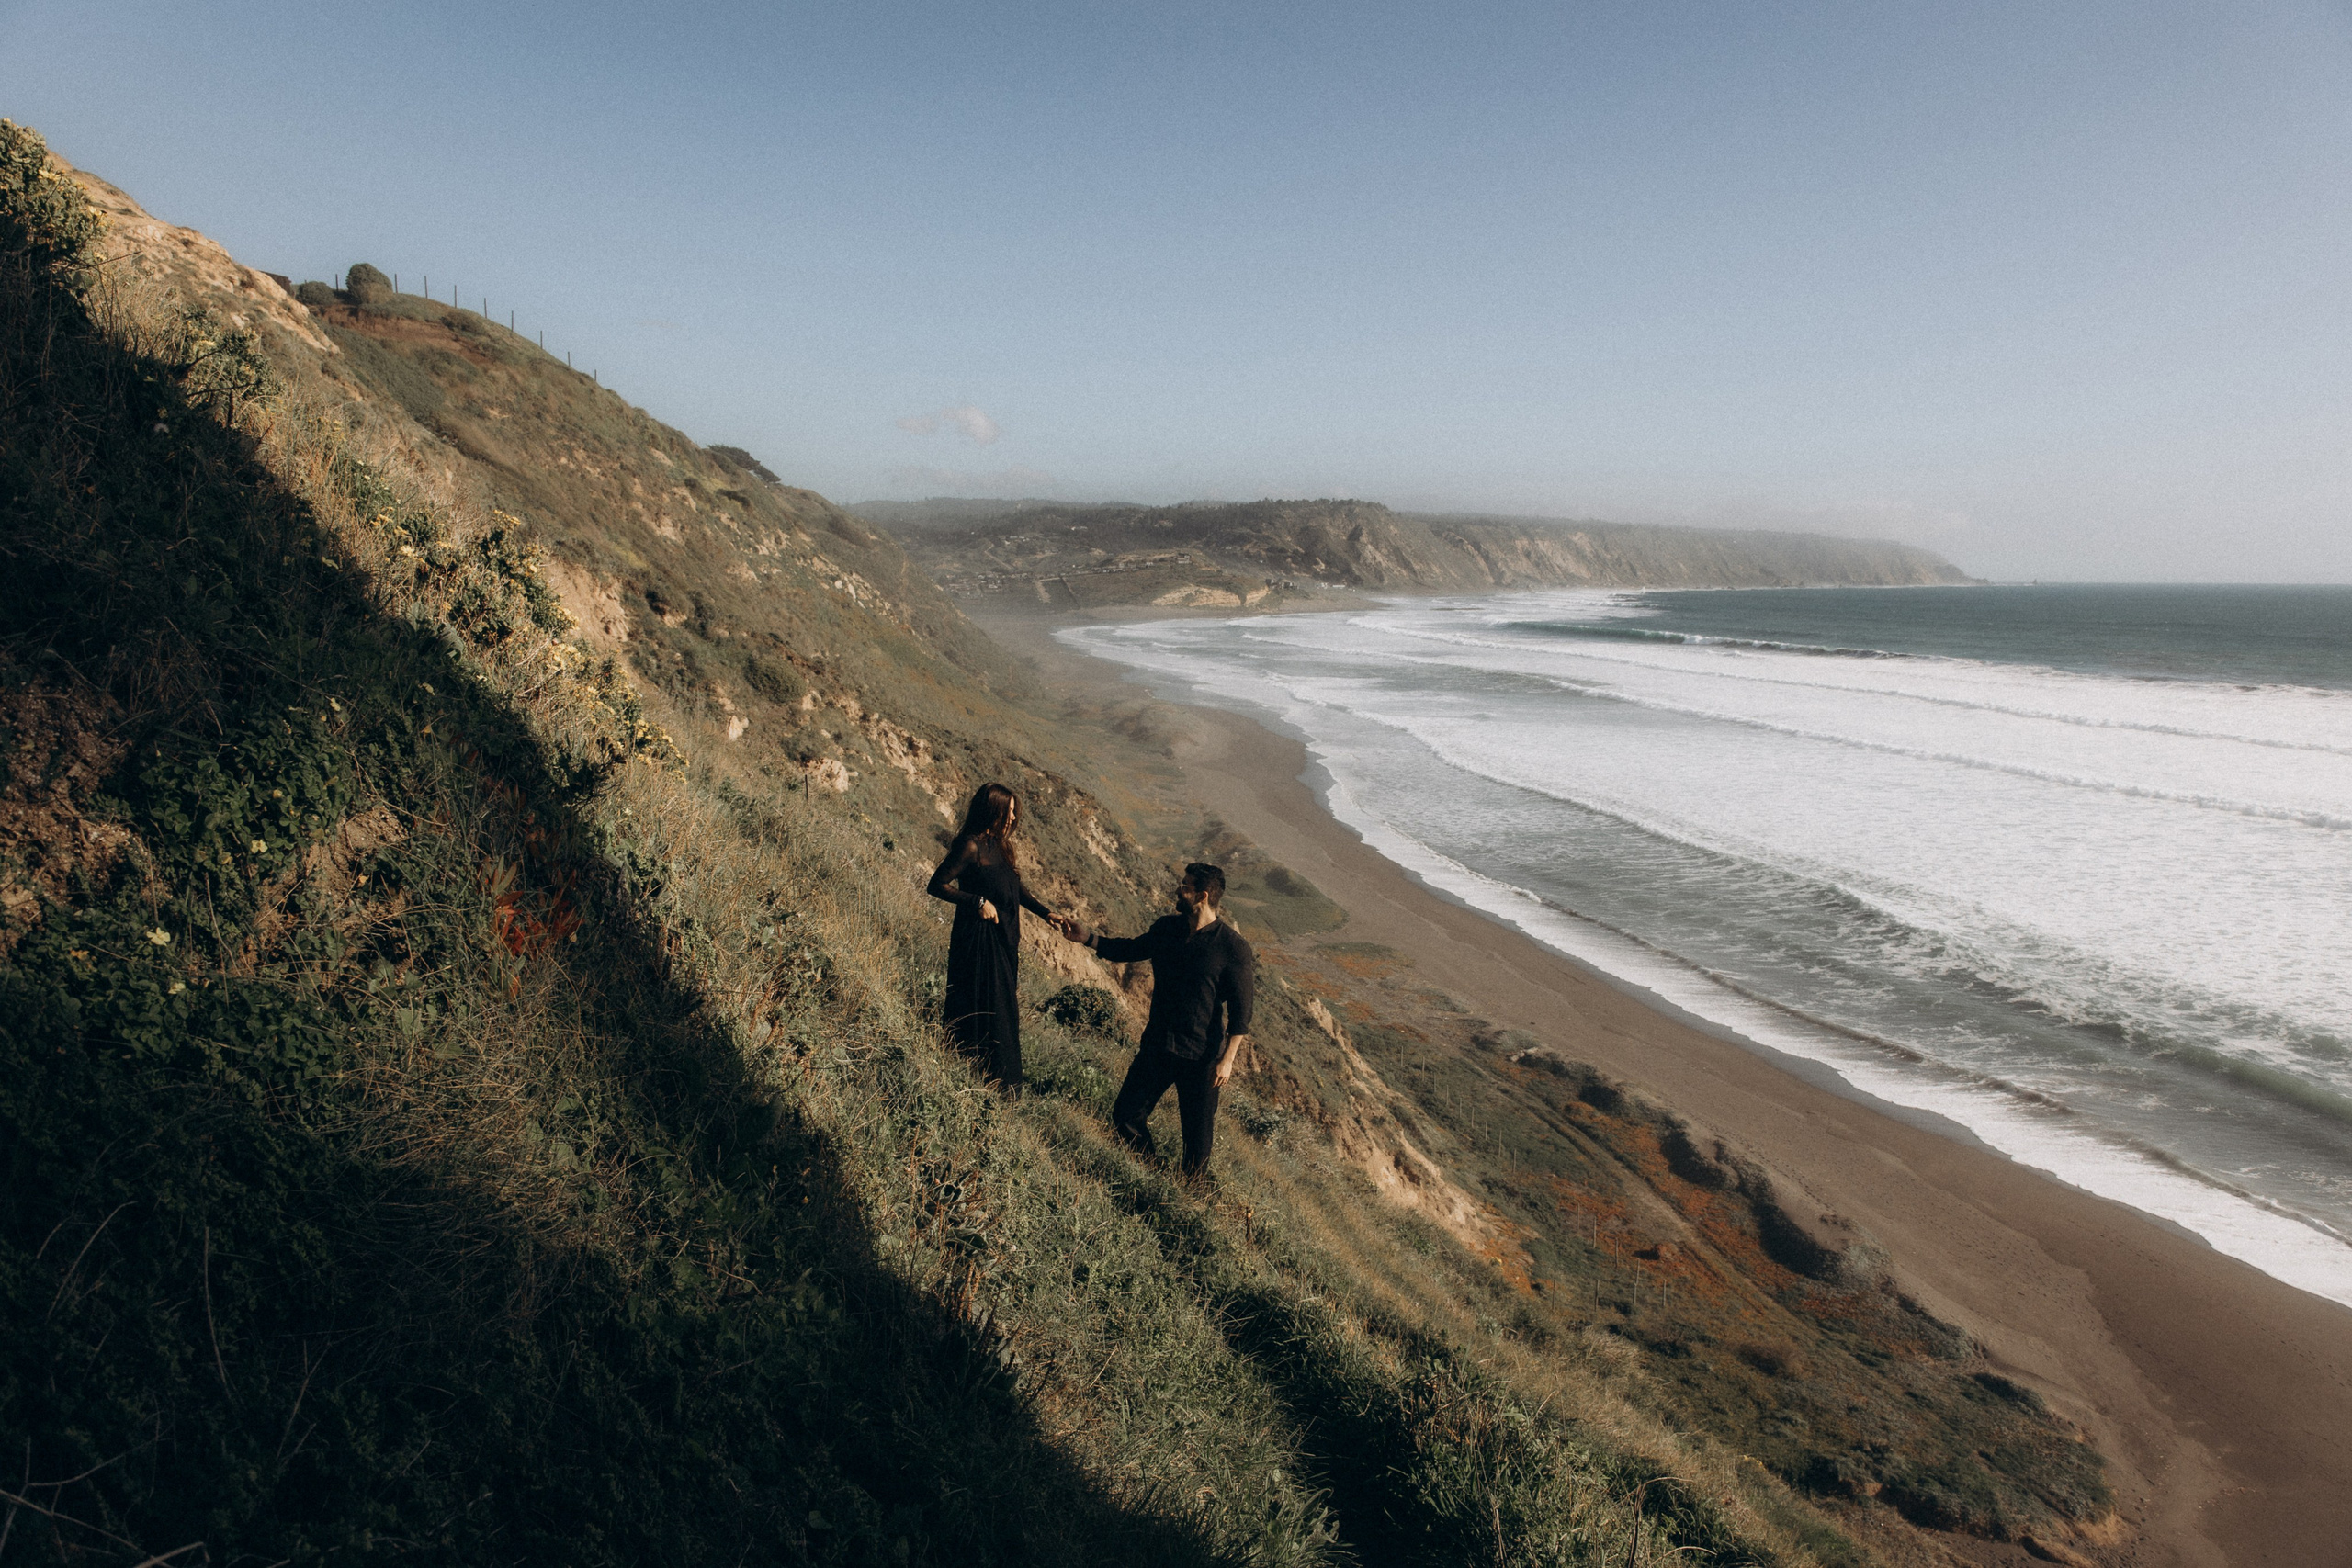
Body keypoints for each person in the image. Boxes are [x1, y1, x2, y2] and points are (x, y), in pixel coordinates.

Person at [1059, 863, 1253, 1179]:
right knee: (1126, 1115)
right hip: (1159, 1044)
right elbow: (1131, 949)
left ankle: (1190, 1198)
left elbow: (1242, 1011)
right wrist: (1089, 938)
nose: (1179, 889)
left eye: (1185, 886)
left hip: (1202, 1057)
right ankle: (1151, 1172)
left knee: (1197, 1145)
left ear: (1202, 896)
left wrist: (1227, 1060)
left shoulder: (1232, 947)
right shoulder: (1167, 928)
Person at [927, 783, 1058, 1094]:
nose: (1013, 818)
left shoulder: (999, 846)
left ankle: (999, 1083)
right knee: (982, 1004)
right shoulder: (970, 846)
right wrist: (977, 902)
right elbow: (937, 884)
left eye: (1014, 812)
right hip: (977, 941)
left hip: (1002, 941)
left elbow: (1014, 888)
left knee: (1002, 1008)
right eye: (1008, 811)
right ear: (993, 810)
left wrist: (1045, 913)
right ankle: (980, 1077)